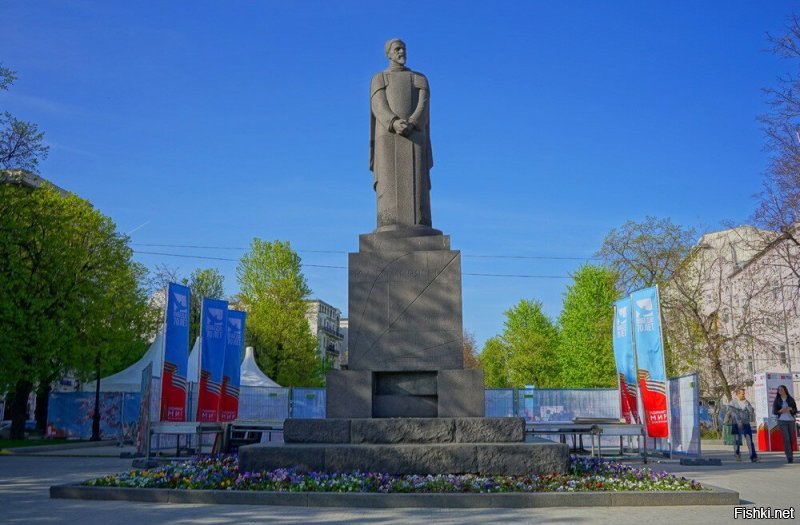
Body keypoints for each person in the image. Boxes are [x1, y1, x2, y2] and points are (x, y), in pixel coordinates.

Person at [369, 39, 434, 231]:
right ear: (388, 54)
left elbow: (423, 104)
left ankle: (420, 222)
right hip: (388, 139)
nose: (401, 52)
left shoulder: (419, 78)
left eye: (403, 49)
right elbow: (378, 105)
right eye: (397, 49)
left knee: (418, 185)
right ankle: (388, 223)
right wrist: (393, 122)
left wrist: (413, 122)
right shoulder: (379, 78)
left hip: (415, 137)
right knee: (388, 184)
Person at [725, 388, 759, 462]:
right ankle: (737, 454)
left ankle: (753, 457)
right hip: (735, 424)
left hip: (746, 423)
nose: (744, 395)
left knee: (749, 440)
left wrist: (747, 403)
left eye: (744, 393)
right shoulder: (732, 403)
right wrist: (738, 421)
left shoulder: (746, 402)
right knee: (737, 440)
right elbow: (732, 412)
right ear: (738, 394)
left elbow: (751, 411)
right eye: (742, 394)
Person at [772, 384, 797, 463]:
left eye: (781, 389)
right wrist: (780, 411)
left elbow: (795, 409)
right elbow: (774, 411)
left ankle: (790, 454)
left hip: (791, 421)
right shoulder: (777, 400)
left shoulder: (790, 399)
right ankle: (789, 457)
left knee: (791, 439)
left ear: (785, 390)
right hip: (782, 421)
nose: (780, 391)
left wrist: (790, 409)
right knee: (786, 439)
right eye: (779, 390)